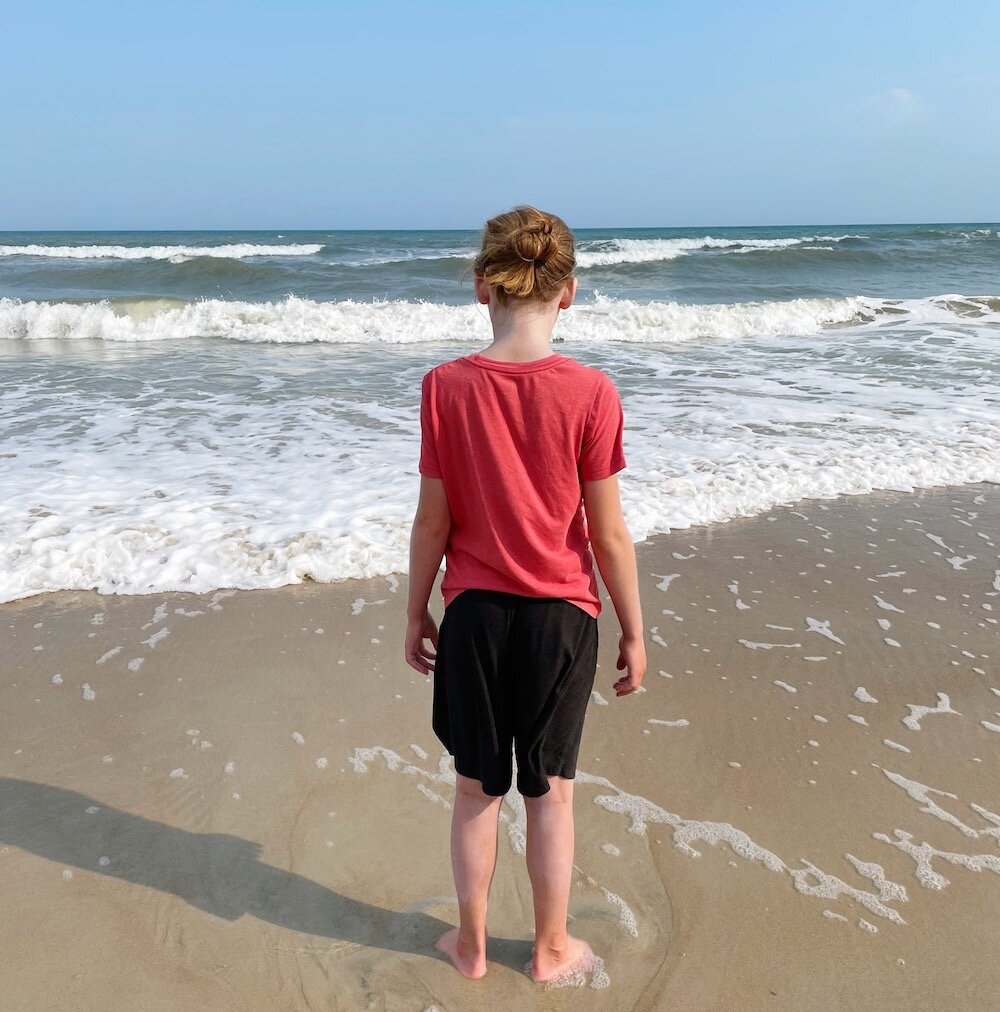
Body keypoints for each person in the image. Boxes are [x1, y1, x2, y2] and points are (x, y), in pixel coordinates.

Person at [404, 205, 646, 984]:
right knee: (552, 795)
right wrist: (635, 631)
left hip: (473, 617)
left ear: (482, 287)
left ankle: (470, 945)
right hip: (562, 619)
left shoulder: (445, 387)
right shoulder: (591, 392)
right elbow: (606, 534)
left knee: (476, 791)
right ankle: (549, 950)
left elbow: (433, 521)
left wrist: (416, 609)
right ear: (568, 292)